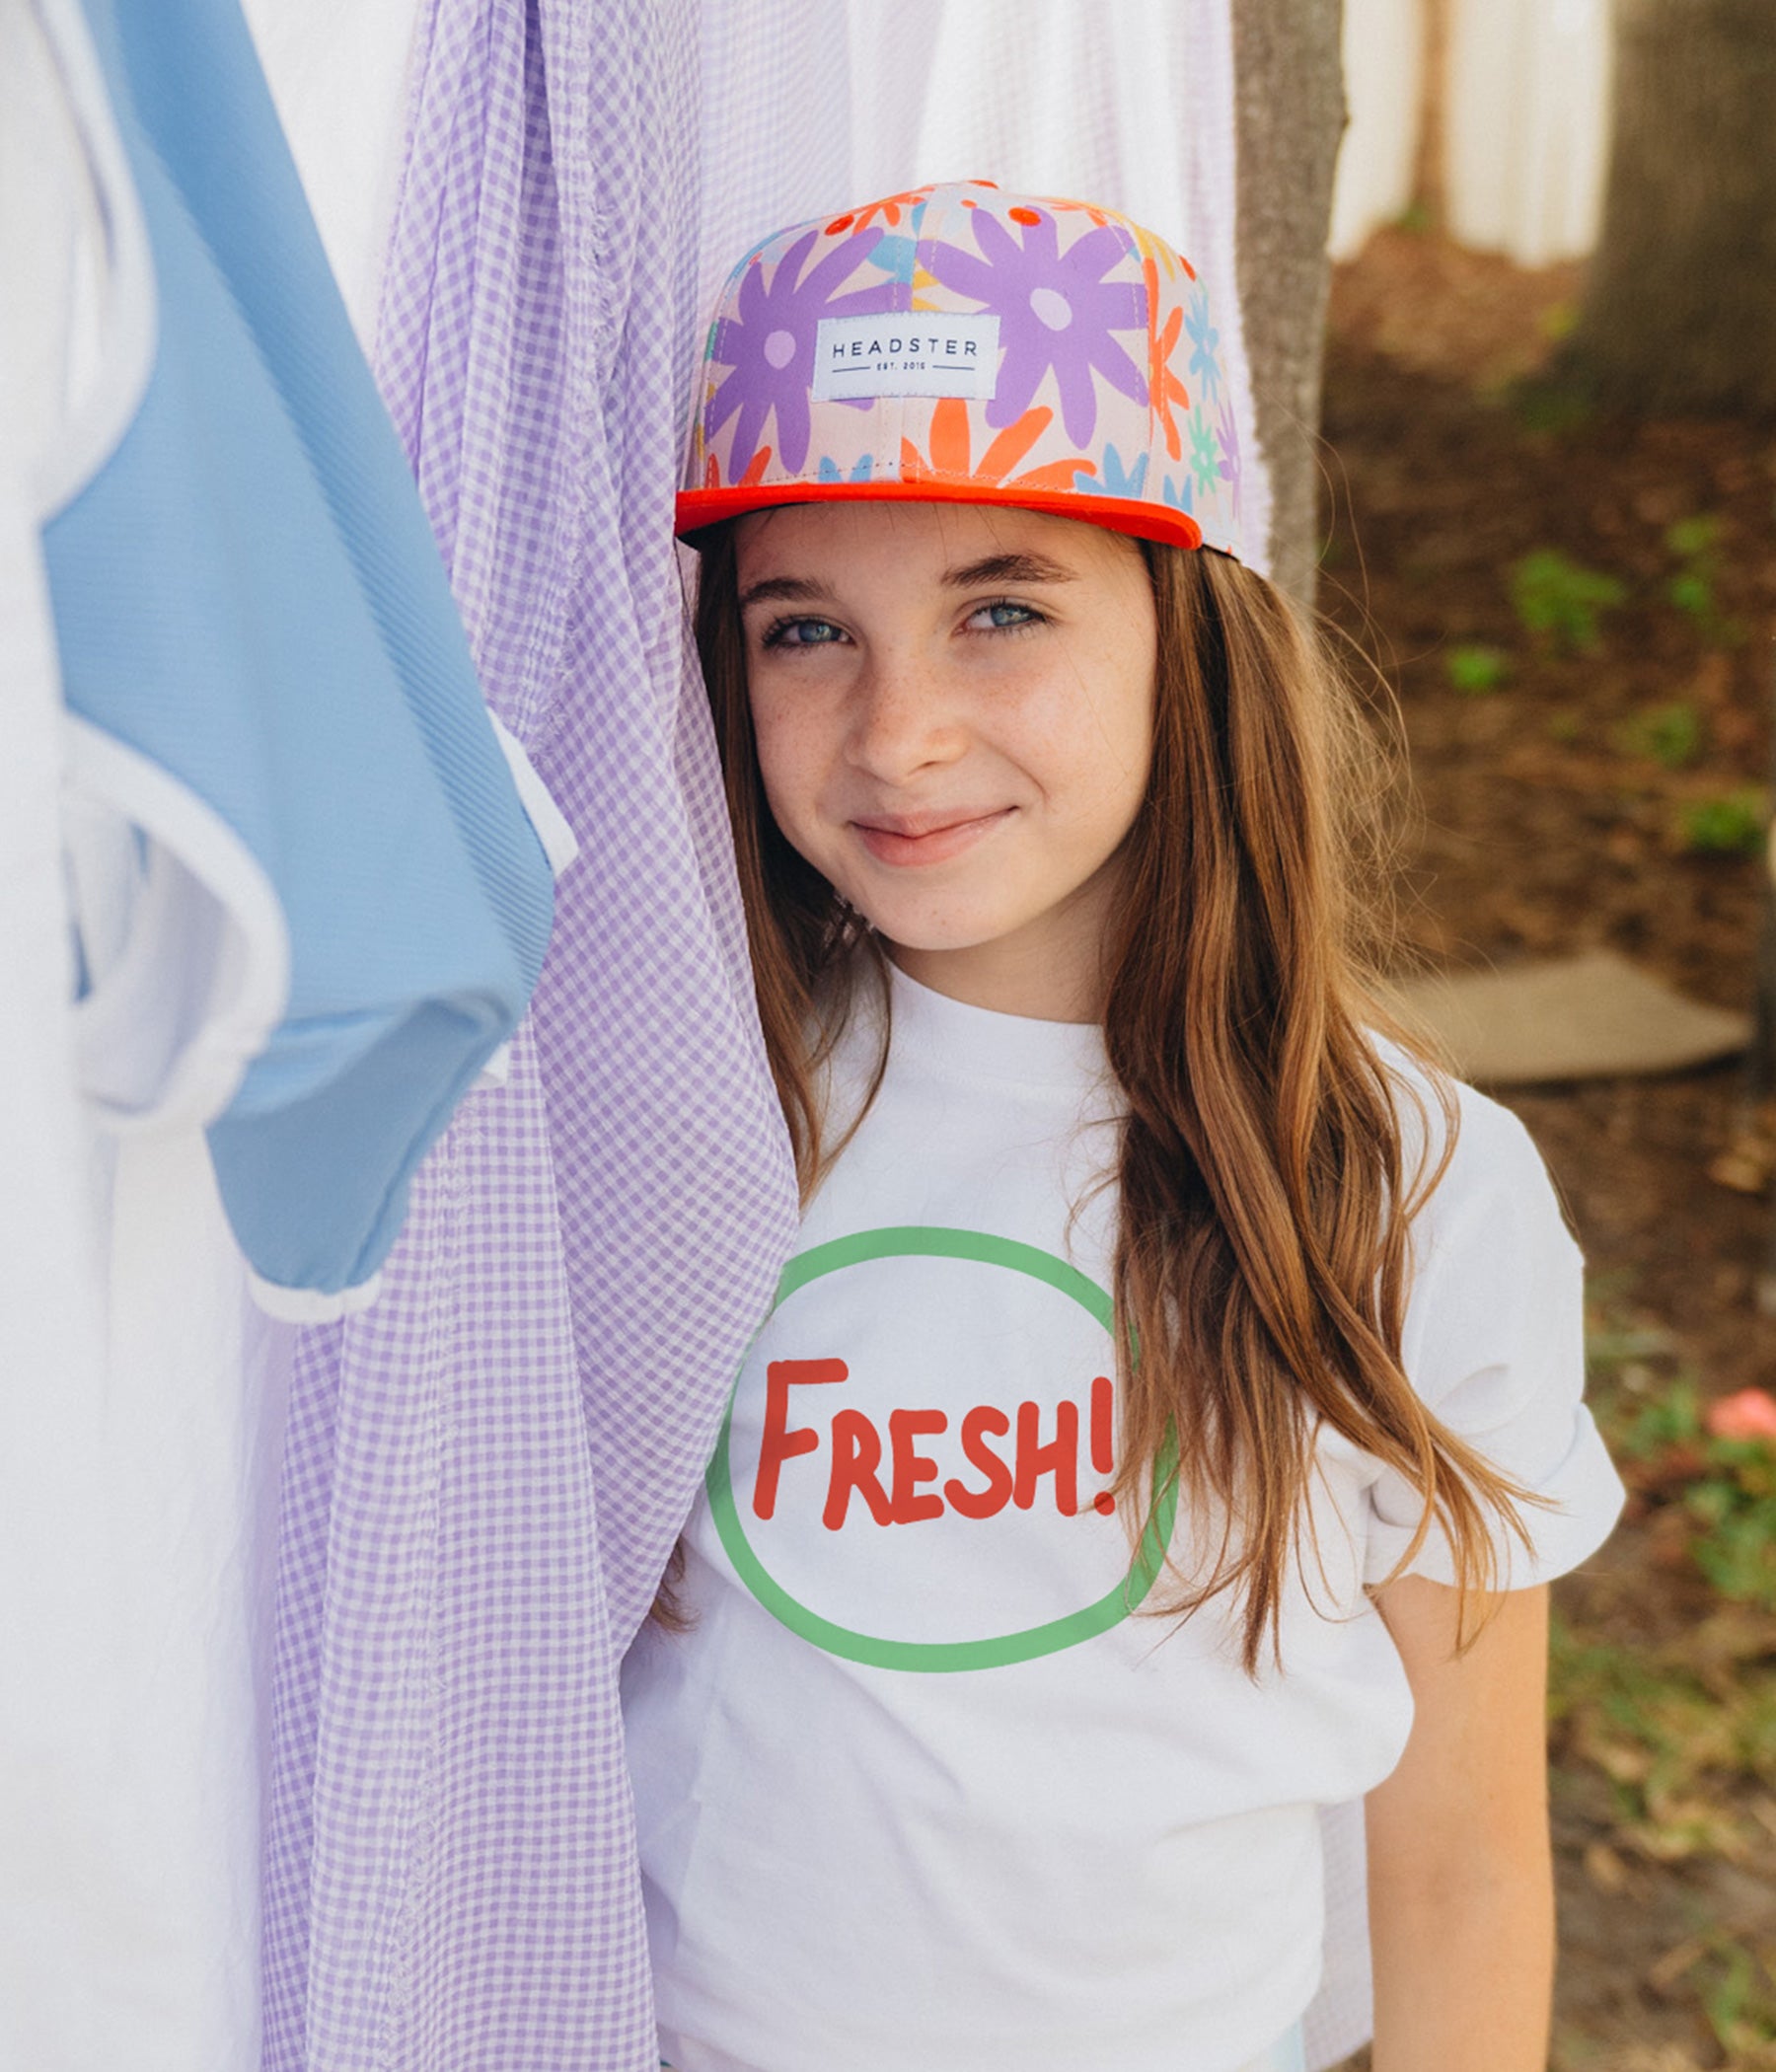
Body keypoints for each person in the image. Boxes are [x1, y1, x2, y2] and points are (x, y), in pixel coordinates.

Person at [622, 181, 1623, 2072]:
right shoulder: (688, 1106)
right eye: (805, 629)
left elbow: (1466, 1869)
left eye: (1000, 609)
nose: (899, 731)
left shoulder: (1409, 1185)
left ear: (1192, 630)